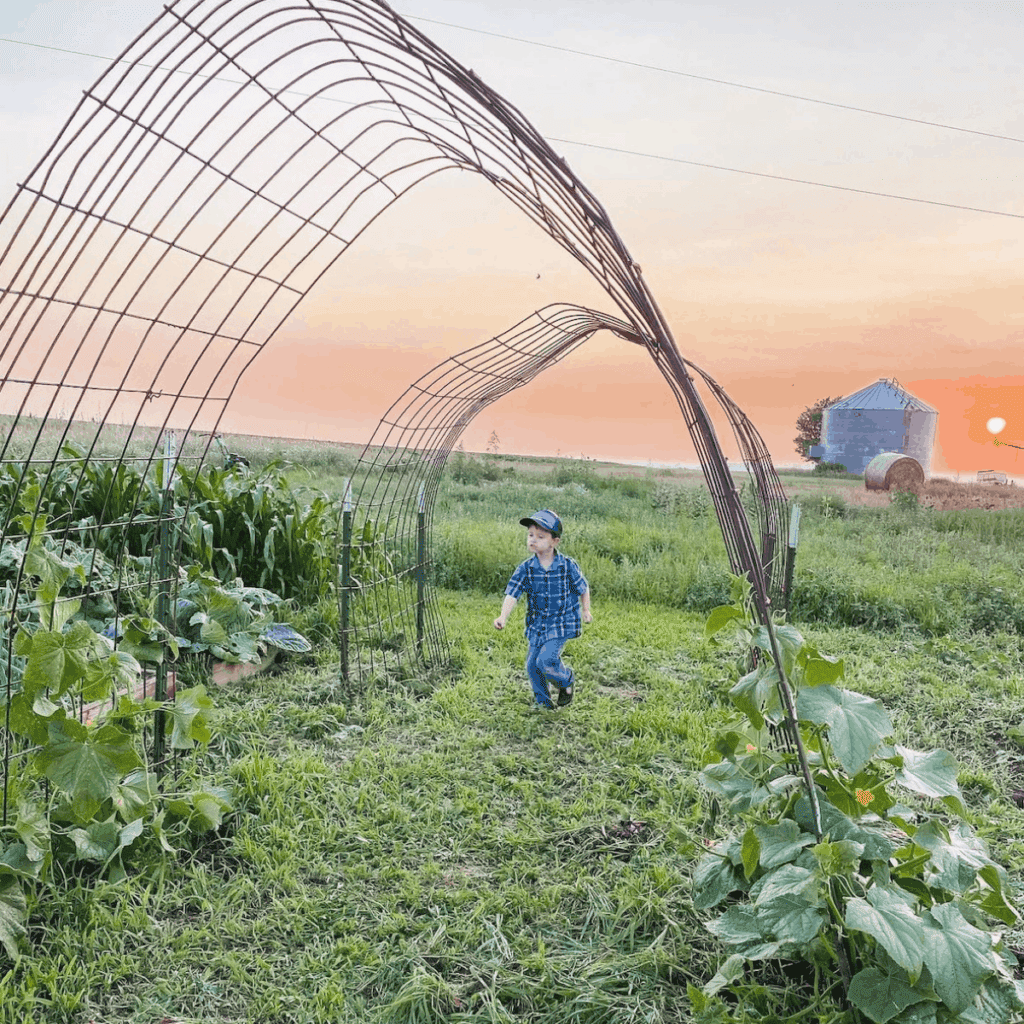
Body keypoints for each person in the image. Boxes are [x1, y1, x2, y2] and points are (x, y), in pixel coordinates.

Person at [493, 509, 592, 709]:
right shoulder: (526, 568)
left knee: (545, 661)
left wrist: (586, 610)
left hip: (562, 621)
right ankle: (544, 704)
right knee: (532, 665)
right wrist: (503, 616)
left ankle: (566, 680)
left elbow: (583, 587)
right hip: (538, 623)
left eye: (540, 536)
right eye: (530, 535)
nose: (533, 540)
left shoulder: (567, 565)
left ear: (555, 541)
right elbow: (513, 593)